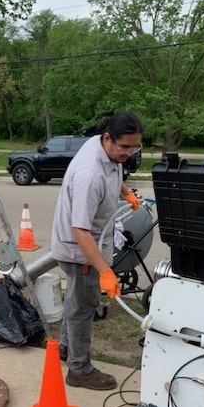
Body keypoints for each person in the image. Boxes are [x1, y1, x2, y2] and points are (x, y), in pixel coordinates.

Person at [51, 111, 143, 390]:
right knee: (83, 306)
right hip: (79, 249)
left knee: (76, 301)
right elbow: (80, 230)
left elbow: (114, 172)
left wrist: (125, 192)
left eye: (135, 146)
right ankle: (79, 369)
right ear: (107, 138)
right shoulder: (90, 174)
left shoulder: (105, 149)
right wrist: (104, 270)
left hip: (86, 244)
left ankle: (66, 348)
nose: (129, 152)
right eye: (124, 146)